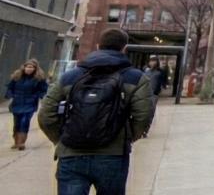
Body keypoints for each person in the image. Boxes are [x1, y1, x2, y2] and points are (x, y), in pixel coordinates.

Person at [38, 28, 156, 195]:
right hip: (113, 155)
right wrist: (126, 138)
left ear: (98, 46)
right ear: (124, 48)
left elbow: (46, 115)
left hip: (71, 152)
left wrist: (61, 138)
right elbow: (143, 116)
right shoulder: (135, 78)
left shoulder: (70, 76)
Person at [6, 58, 47, 150]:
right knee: (17, 123)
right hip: (17, 103)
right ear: (24, 67)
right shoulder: (17, 77)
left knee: (24, 121)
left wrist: (36, 96)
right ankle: (16, 141)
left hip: (30, 104)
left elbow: (43, 90)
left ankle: (21, 143)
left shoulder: (38, 79)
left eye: (31, 67)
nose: (29, 69)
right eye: (28, 67)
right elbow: (10, 87)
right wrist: (11, 95)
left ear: (35, 69)